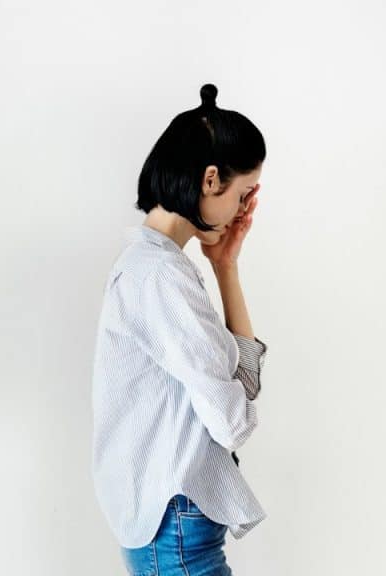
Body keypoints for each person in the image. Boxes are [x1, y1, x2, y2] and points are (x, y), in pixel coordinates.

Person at [92, 84, 268, 575]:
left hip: (175, 523)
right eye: (243, 194)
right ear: (210, 180)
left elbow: (243, 385)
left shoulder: (158, 268)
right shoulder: (160, 278)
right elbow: (233, 422)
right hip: (175, 525)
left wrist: (225, 266)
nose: (243, 210)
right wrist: (236, 402)